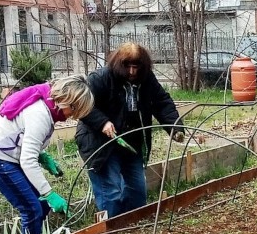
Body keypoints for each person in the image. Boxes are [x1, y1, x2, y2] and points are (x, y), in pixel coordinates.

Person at [0, 75, 94, 234]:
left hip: (7, 154)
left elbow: (20, 134)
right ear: (67, 101)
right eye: (75, 111)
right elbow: (27, 161)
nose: (74, 117)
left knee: (42, 206)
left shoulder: (47, 105)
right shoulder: (40, 114)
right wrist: (49, 193)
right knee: (32, 209)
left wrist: (43, 156)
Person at [76, 43, 184, 217]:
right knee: (111, 192)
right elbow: (82, 105)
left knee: (137, 192)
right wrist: (103, 122)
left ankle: (132, 226)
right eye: (128, 67)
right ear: (120, 64)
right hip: (102, 143)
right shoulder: (101, 78)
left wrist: (175, 127)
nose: (132, 72)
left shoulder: (146, 79)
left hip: (131, 142)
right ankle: (111, 230)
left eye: (136, 67)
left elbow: (162, 102)